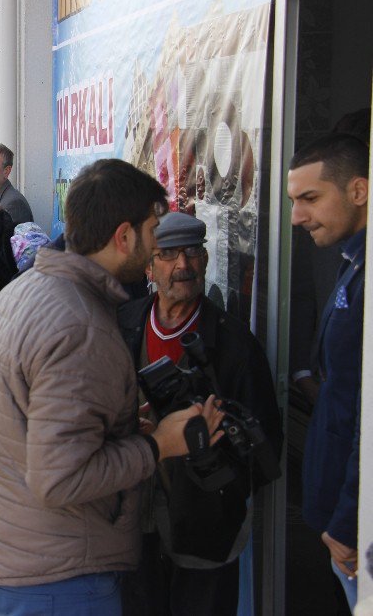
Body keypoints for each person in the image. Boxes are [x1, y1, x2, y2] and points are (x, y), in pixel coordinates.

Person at [0, 159, 224, 615]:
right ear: (124, 236)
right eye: (153, 232)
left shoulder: (24, 293)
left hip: (21, 561)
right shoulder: (80, 325)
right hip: (60, 580)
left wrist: (126, 428)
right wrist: (158, 446)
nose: (157, 248)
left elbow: (33, 433)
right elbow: (61, 478)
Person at [117, 211, 282, 616]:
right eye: (169, 254)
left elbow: (266, 453)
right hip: (134, 520)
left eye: (192, 252)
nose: (183, 265)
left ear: (206, 260)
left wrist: (213, 449)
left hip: (204, 528)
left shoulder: (234, 343)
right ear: (149, 266)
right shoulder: (123, 326)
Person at [288, 133, 368, 612]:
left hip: (354, 532)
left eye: (310, 199)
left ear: (358, 191)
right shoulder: (352, 262)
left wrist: (349, 518)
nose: (297, 217)